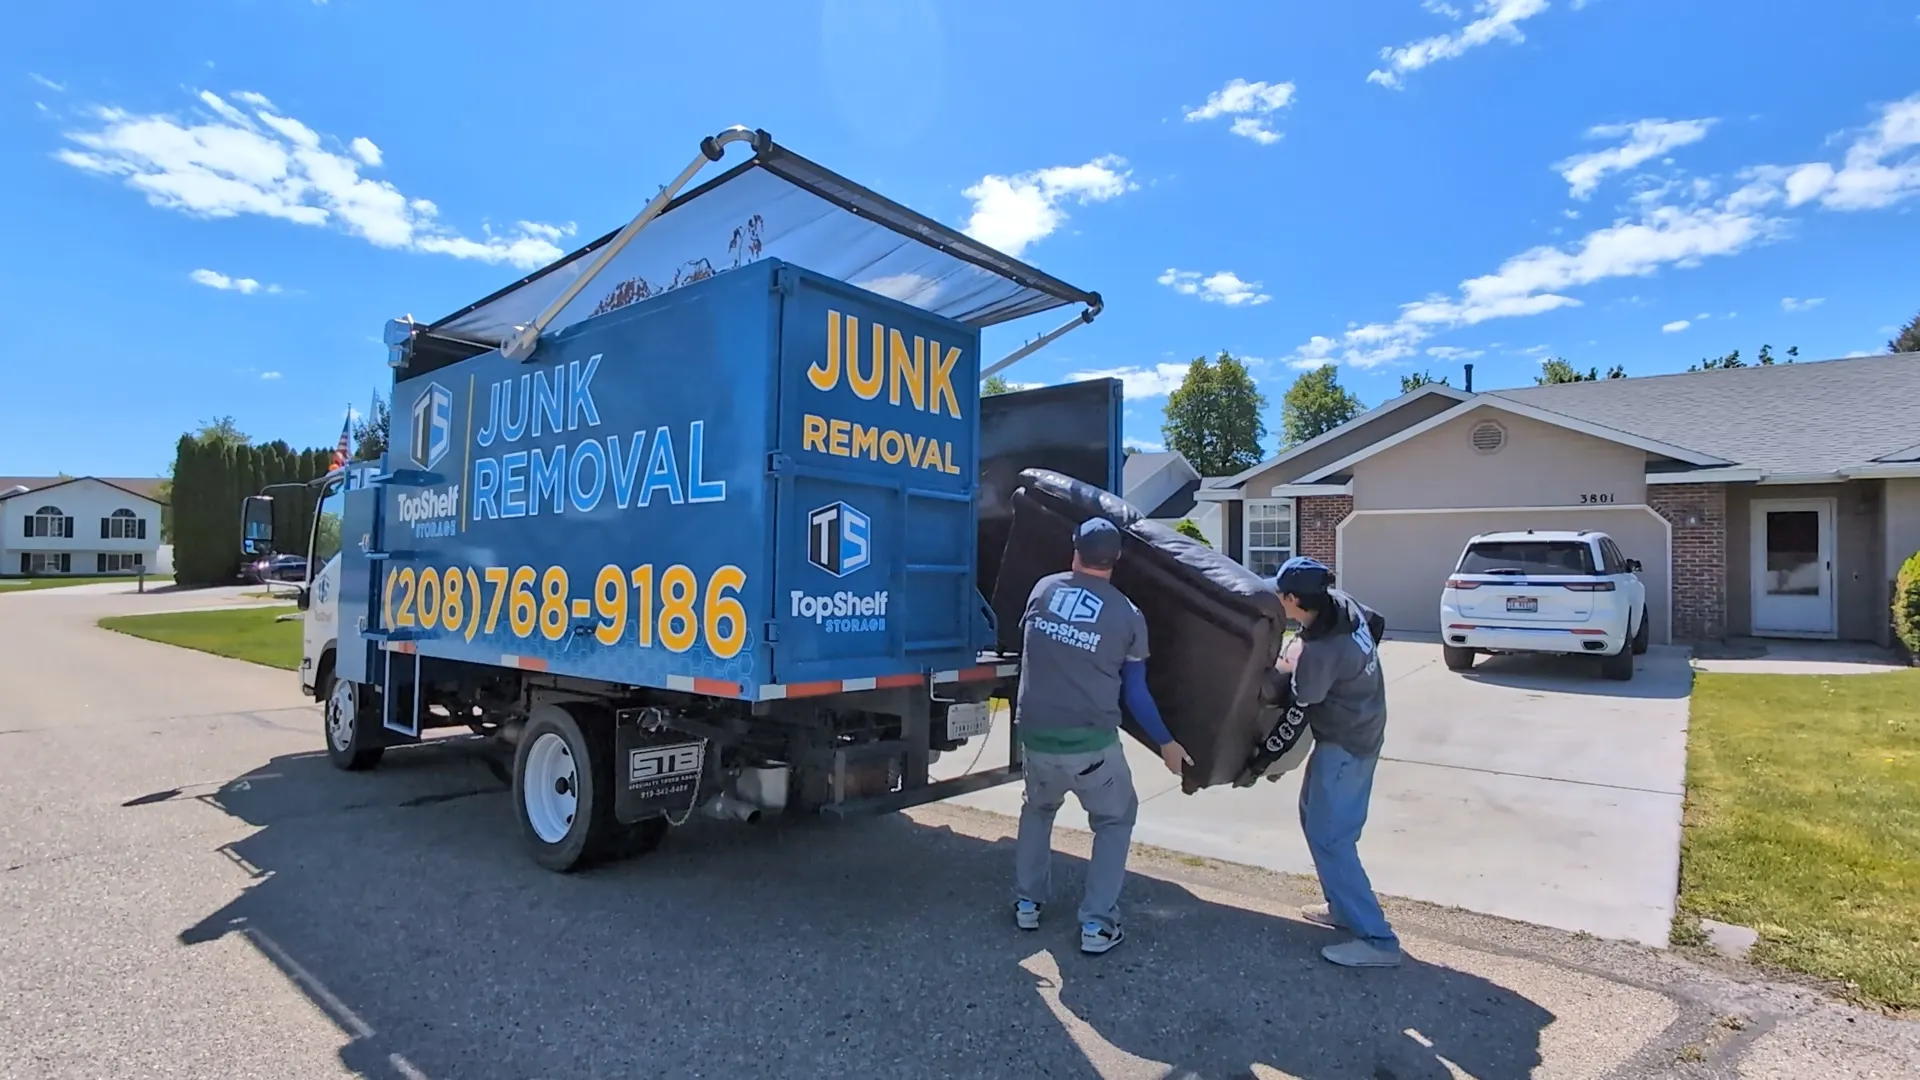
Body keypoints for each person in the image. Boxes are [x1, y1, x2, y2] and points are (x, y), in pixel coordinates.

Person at [1011, 517, 1190, 955]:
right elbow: (1136, 692)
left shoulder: (1043, 590)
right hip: (1090, 744)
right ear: (1117, 559)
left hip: (1034, 735)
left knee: (1038, 809)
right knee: (1114, 820)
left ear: (1074, 549)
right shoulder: (1128, 615)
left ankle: (1027, 903)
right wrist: (1166, 742)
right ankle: (1096, 925)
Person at [1269, 556, 1401, 968]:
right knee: (1314, 817)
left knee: (1332, 838)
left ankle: (1377, 940)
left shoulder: (1319, 651)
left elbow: (1301, 698)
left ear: (1292, 599)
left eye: (1280, 594)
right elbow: (1376, 625)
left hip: (1346, 743)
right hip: (1362, 726)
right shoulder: (1343, 604)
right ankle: (1342, 908)